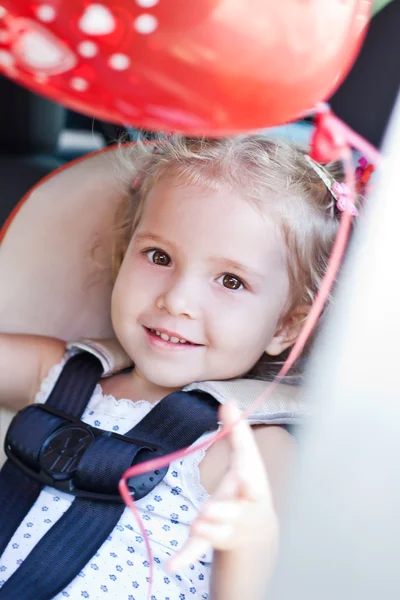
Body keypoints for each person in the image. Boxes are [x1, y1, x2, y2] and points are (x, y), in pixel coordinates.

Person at [0, 135, 350, 600]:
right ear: (123, 257)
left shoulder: (251, 452)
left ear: (285, 326)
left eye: (231, 281)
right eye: (159, 257)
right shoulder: (62, 373)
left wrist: (250, 545)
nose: (178, 300)